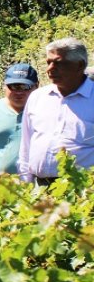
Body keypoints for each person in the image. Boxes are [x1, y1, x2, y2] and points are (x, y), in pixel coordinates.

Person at [19, 38, 94, 185]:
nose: (50, 69)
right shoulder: (38, 97)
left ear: (79, 65)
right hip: (39, 187)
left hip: (83, 190)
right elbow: (26, 145)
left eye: (58, 63)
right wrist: (25, 183)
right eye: (48, 62)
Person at [0, 63, 38, 175]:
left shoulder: (44, 112)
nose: (19, 92)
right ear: (4, 86)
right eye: (13, 86)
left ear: (36, 86)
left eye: (25, 87)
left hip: (35, 187)